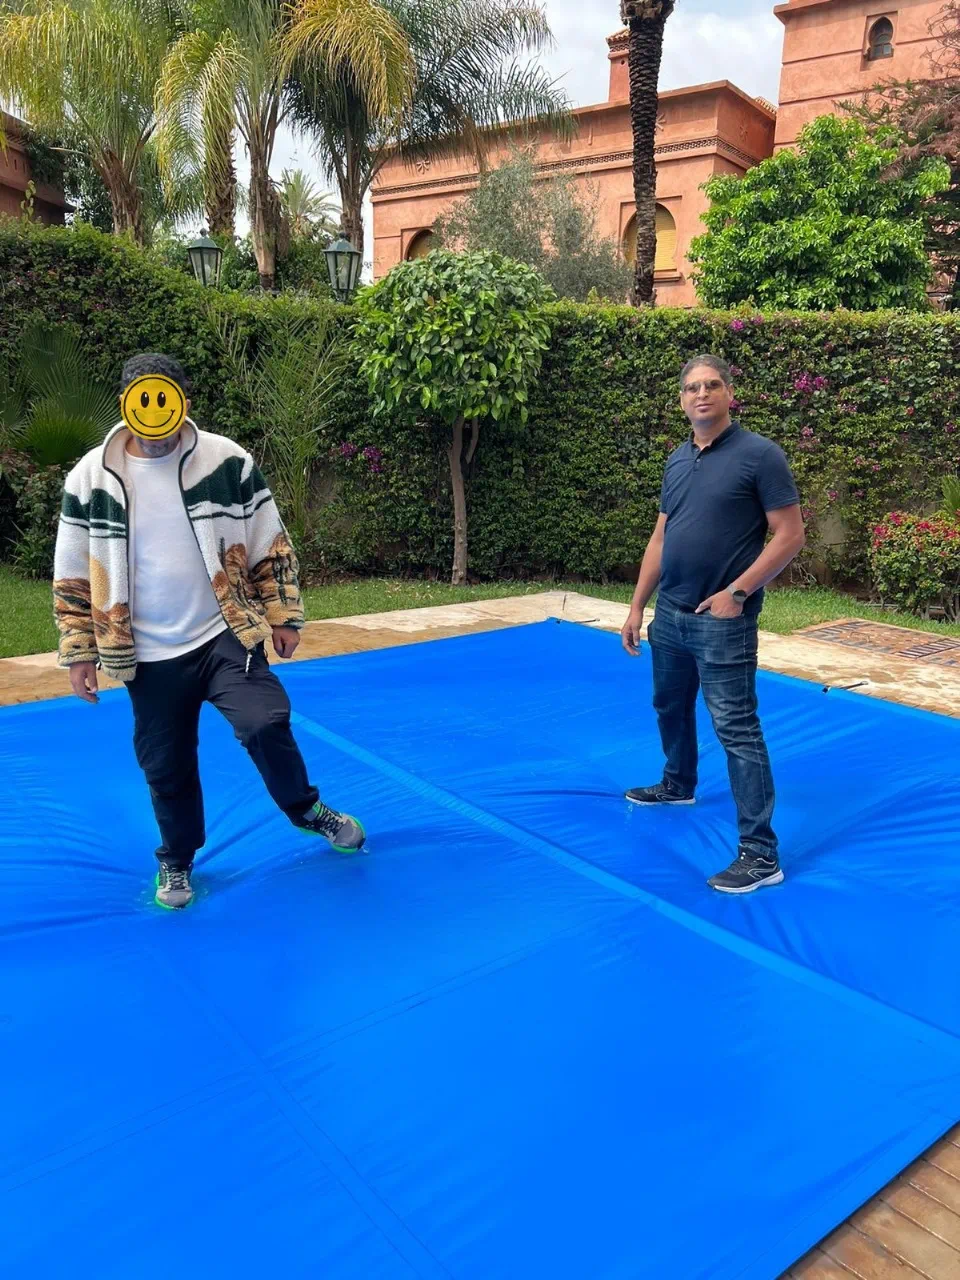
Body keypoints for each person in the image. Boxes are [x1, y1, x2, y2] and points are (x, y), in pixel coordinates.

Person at [52, 352, 365, 910]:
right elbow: (74, 572)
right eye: (142, 400)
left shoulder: (227, 462)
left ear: (182, 403)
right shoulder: (90, 478)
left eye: (164, 398)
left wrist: (283, 615)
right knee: (165, 764)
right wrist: (80, 652)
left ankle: (306, 809)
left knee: (266, 720)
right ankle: (176, 860)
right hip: (143, 652)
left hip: (223, 634)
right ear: (127, 405)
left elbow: (271, 541)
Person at [621, 355, 805, 894]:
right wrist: (637, 606)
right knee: (669, 706)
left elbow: (790, 535)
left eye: (713, 385)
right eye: (692, 388)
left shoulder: (760, 456)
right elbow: (661, 539)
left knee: (737, 731)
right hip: (670, 617)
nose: (702, 394)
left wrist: (738, 592)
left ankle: (760, 853)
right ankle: (678, 783)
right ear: (681, 400)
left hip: (723, 621)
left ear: (729, 394)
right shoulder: (678, 460)